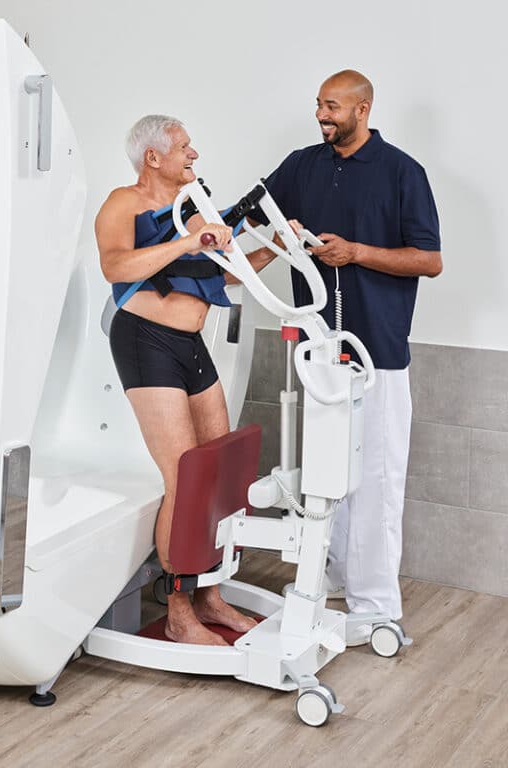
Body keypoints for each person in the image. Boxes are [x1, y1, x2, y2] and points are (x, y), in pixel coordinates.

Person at [266, 70, 442, 633]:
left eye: (333, 106)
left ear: (363, 109)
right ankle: (334, 577)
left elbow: (429, 259)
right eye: (319, 103)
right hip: (320, 351)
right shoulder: (302, 165)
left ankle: (375, 606)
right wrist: (278, 235)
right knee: (325, 472)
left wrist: (358, 252)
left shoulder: (401, 172)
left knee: (377, 477)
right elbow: (255, 214)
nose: (322, 114)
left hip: (378, 353)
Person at [95, 115, 274, 645]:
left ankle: (210, 596)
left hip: (192, 344)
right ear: (154, 157)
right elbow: (115, 268)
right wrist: (186, 242)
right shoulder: (122, 203)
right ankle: (177, 611)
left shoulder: (195, 209)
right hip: (145, 342)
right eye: (183, 146)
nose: (194, 154)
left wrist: (280, 247)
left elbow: (223, 273)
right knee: (183, 477)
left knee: (217, 472)